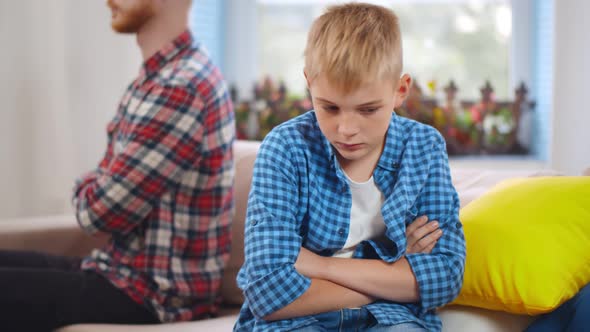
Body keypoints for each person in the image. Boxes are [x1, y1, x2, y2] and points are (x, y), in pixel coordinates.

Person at [0, 0, 234, 330]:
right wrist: (100, 180)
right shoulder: (155, 79)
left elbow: (99, 213)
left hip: (153, 297)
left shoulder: (182, 86)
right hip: (117, 273)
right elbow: (105, 188)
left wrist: (93, 182)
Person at [234, 3, 465, 332]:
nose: (346, 129)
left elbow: (444, 279)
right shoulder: (285, 148)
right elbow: (267, 293)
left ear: (400, 90)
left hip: (393, 321)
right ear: (309, 84)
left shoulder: (424, 148)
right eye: (329, 107)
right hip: (294, 323)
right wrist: (393, 274)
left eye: (368, 110)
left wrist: (319, 265)